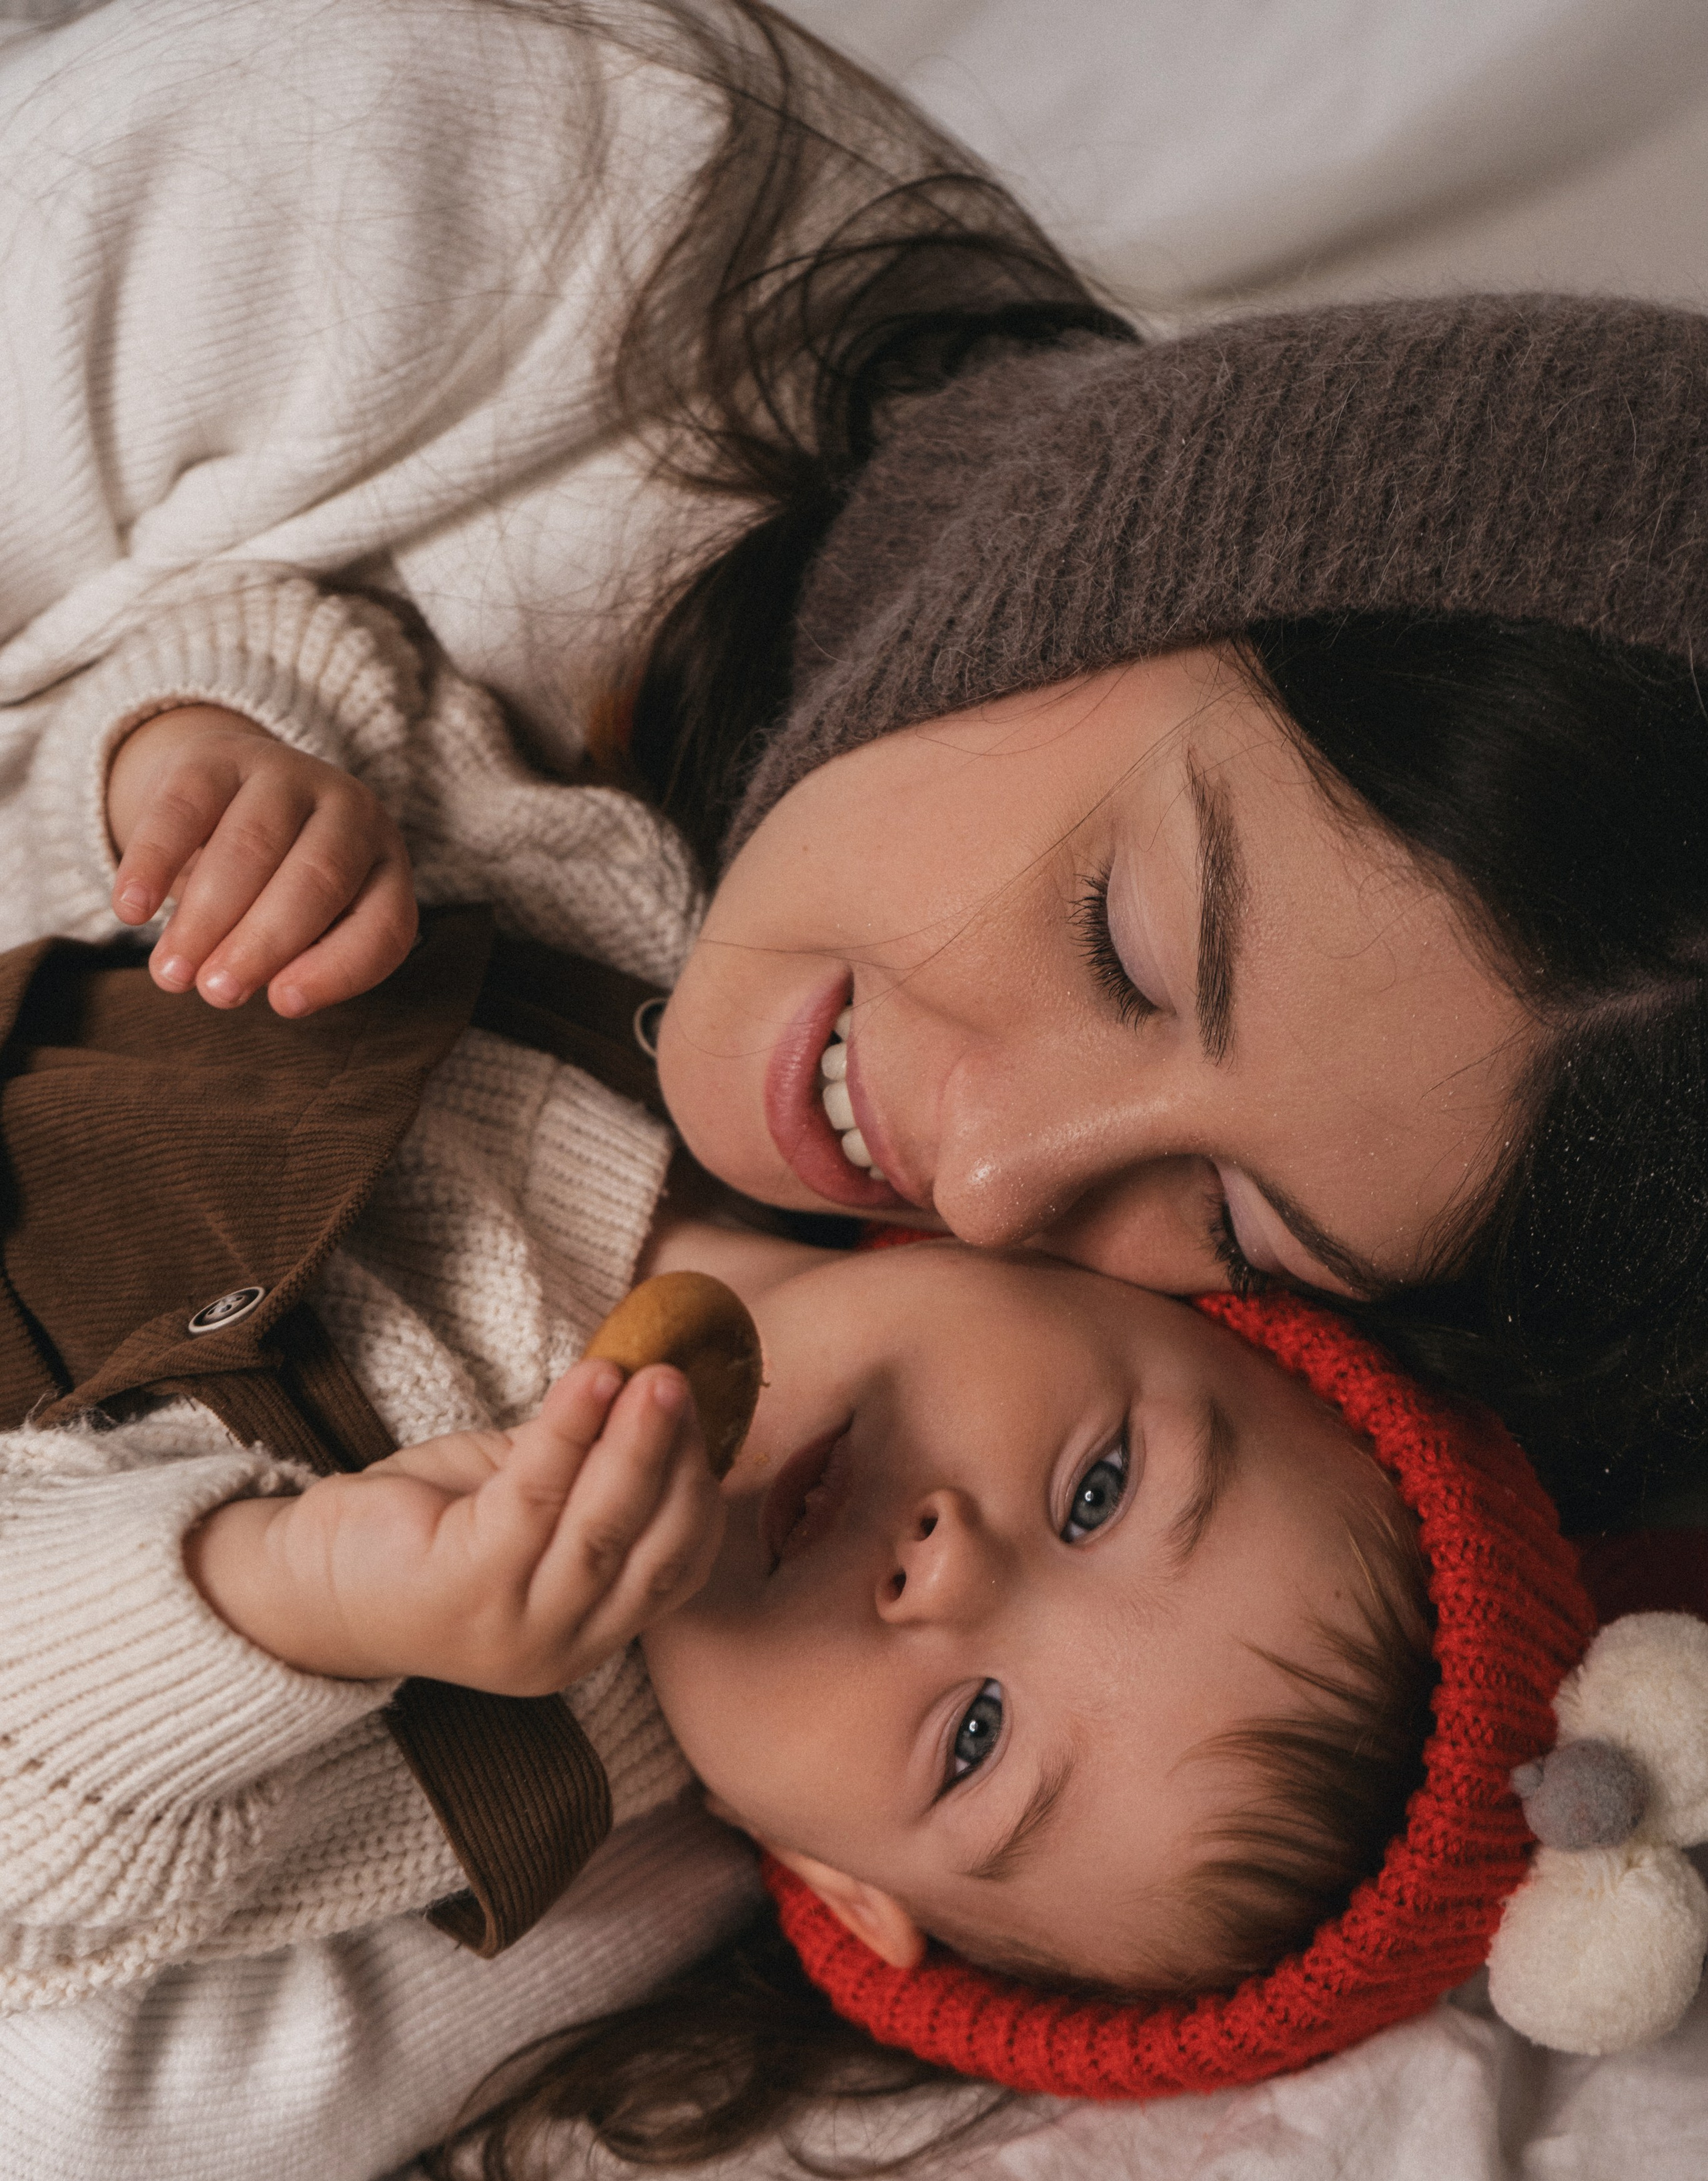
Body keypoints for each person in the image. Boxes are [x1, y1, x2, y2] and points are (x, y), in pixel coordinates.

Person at [5, 0, 1708, 1531]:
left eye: (1234, 1227)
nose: (988, 1177)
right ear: (1136, 568)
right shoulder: (431, 198)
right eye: (1119, 941)